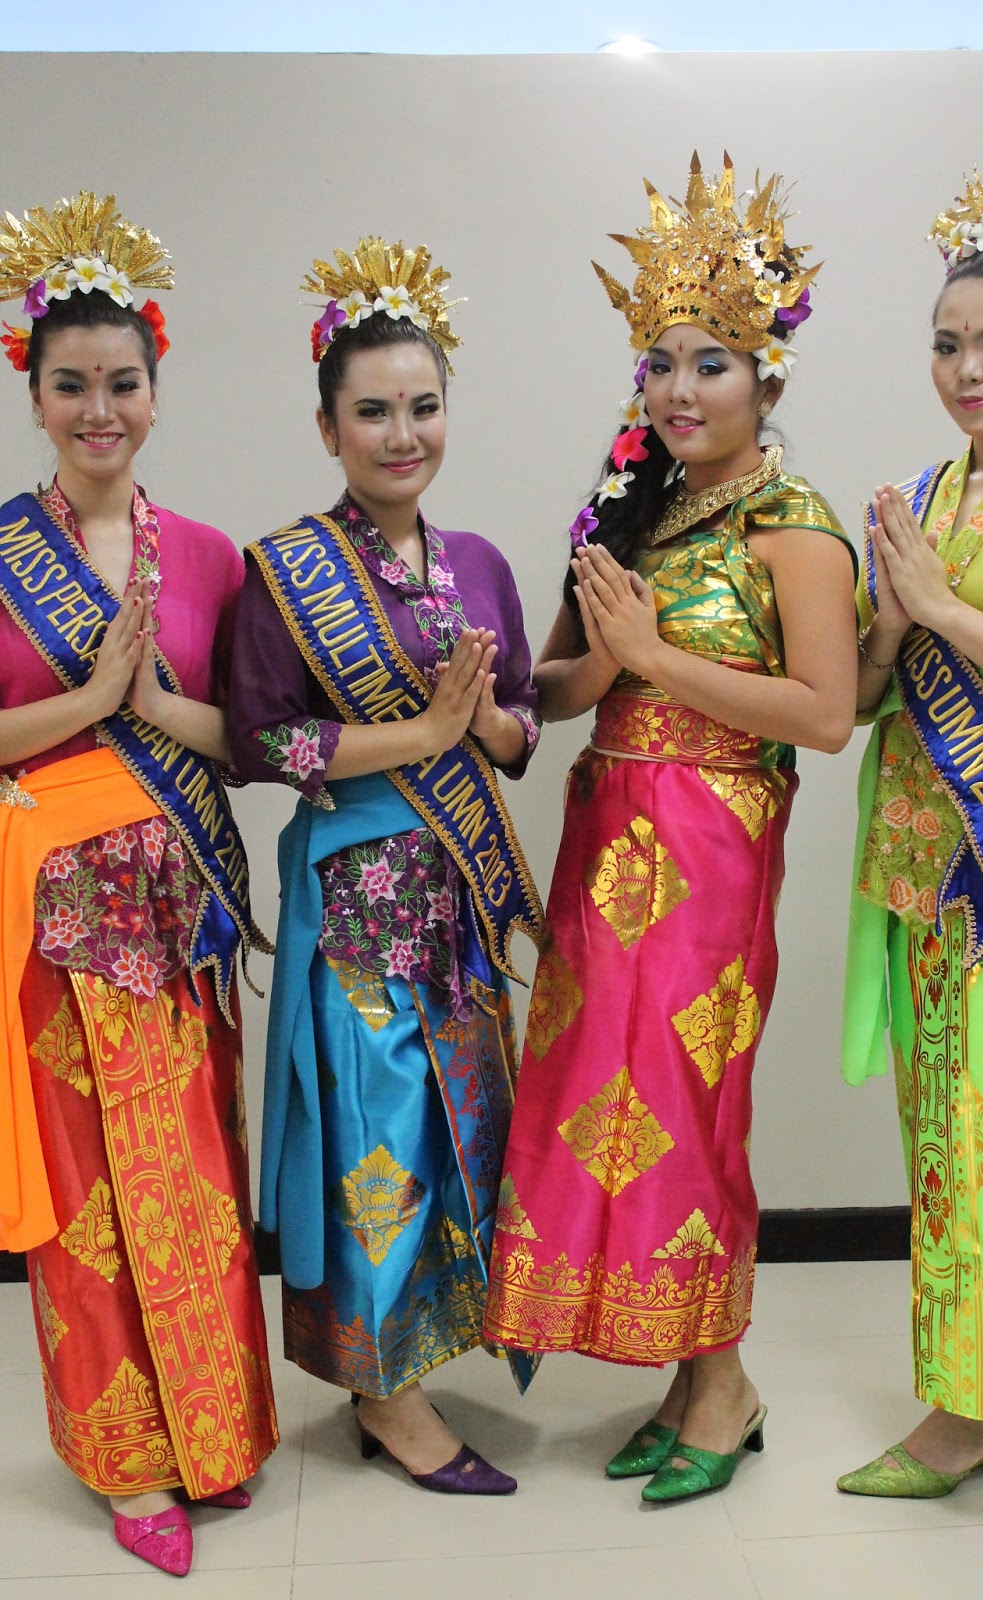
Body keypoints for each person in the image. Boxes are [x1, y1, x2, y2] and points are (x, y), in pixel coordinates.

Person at [482, 153, 857, 1505]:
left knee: (688, 1112)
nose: (680, 390)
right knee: (603, 1108)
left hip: (710, 850)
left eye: (712, 363)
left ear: (766, 378)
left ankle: (724, 1381)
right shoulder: (631, 508)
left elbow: (823, 715)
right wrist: (498, 683)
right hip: (604, 841)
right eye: (660, 363)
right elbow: (567, 685)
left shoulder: (793, 527)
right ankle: (690, 1379)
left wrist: (655, 657)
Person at [228, 236, 542, 1496]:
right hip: (359, 901)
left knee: (461, 1131)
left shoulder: (482, 565)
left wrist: (487, 724)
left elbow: (519, 724)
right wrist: (416, 735)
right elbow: (260, 738)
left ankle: (420, 1355)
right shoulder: (285, 573)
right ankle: (384, 1394)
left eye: (422, 406)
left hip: (456, 899)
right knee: (377, 1141)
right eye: (372, 411)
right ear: (328, 427)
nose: (400, 434)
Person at [0, 193, 278, 1577]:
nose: (98, 409)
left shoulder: (213, 557)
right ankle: (125, 1459)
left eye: (122, 382)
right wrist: (89, 703)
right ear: (33, 394)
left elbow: (251, 742)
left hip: (182, 909)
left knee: (196, 1180)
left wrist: (153, 706)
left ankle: (212, 1432)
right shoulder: (2, 553)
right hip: (54, 915)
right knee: (93, 1201)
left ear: (156, 393)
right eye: (72, 384)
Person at [838, 157, 983, 1497]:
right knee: (940, 1139)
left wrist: (938, 609)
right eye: (944, 344)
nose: (965, 369)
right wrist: (882, 625)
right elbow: (876, 693)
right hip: (923, 864)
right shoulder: (922, 496)